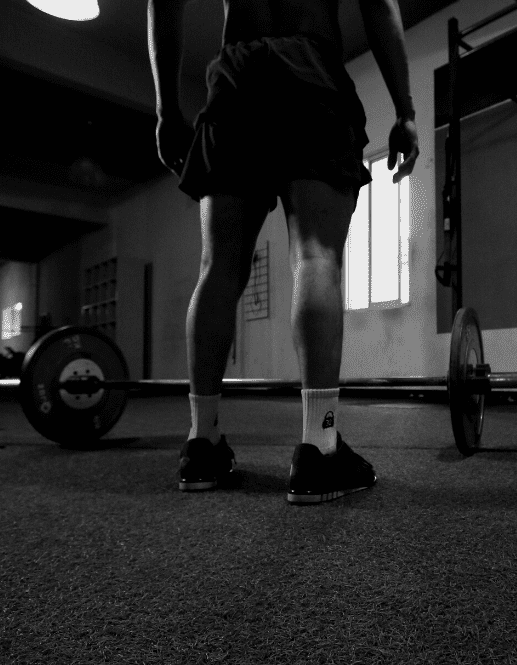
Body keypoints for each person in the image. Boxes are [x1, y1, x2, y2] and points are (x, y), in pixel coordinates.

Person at [147, 0, 419, 502]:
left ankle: (201, 443)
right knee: (316, 256)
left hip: (236, 79)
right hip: (311, 73)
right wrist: (405, 110)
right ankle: (319, 448)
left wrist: (166, 111)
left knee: (218, 268)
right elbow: (380, 6)